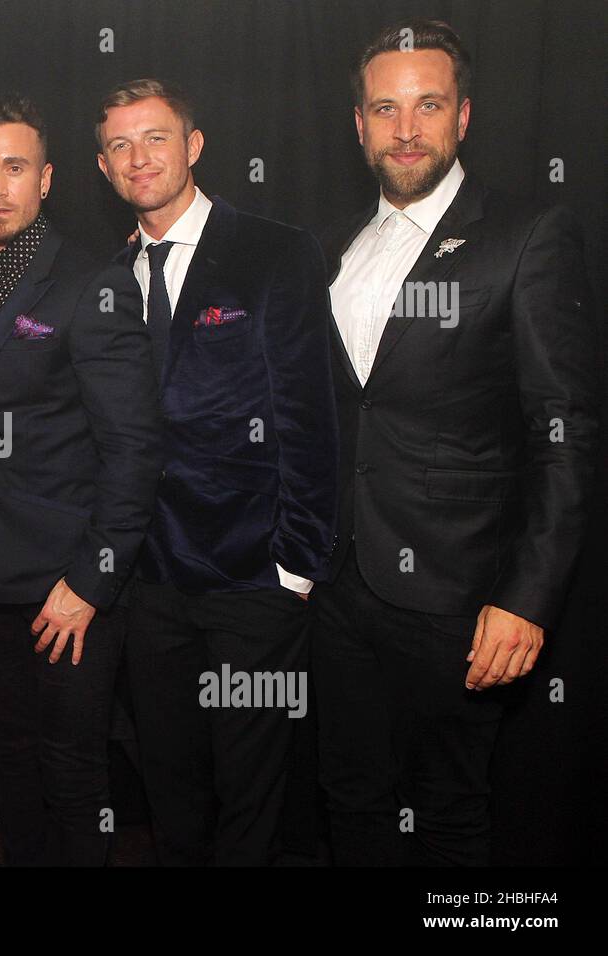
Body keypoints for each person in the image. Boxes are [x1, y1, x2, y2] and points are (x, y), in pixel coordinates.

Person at [314, 18, 599, 865]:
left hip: (461, 596)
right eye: (385, 108)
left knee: (449, 813)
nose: (406, 129)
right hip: (338, 587)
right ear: (358, 124)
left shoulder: (527, 233)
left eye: (427, 105)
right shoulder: (334, 247)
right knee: (351, 798)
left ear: (463, 116)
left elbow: (566, 432)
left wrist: (527, 598)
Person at [95, 79, 339, 865]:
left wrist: (296, 567)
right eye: (121, 145)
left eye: (156, 138)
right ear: (103, 167)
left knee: (251, 800)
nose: (140, 158)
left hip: (251, 580)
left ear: (193, 146)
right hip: (151, 583)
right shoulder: (107, 276)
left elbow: (311, 413)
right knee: (171, 788)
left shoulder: (275, 249)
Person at [0, 93, 163, 866]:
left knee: (73, 774)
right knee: (10, 763)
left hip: (66, 586)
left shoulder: (90, 283)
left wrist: (90, 584)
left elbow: (134, 448)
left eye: (14, 167)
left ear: (46, 179)